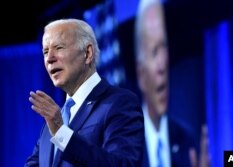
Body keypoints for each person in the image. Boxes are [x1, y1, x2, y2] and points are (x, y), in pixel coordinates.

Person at [25, 18, 144, 167]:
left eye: (59, 47)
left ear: (87, 53)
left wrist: (62, 134)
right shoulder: (51, 124)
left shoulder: (119, 103)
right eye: (45, 51)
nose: (49, 59)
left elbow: (123, 165)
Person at [134, 0, 210, 167]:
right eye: (154, 52)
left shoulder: (187, 141)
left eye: (164, 48)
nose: (162, 64)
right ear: (141, 75)